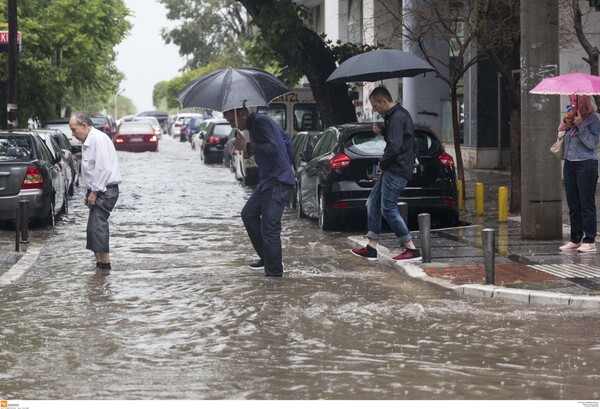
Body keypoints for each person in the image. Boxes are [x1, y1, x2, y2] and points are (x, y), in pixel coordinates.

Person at [351, 86, 422, 262]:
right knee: (372, 202)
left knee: (388, 208)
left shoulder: (397, 117)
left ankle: (411, 249)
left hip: (396, 169)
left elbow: (395, 147)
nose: (375, 109)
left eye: (376, 105)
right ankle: (372, 247)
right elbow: (398, 139)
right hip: (394, 168)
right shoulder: (394, 116)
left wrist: (382, 163)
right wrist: (382, 130)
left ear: (384, 101)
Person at [223, 107, 295, 277]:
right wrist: (249, 150)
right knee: (248, 214)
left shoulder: (260, 122)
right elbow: (285, 140)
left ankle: (274, 275)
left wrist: (248, 146)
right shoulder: (256, 125)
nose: (232, 124)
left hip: (277, 182)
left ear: (241, 114)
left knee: (269, 227)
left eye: (232, 120)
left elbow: (274, 147)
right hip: (268, 181)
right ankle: (268, 258)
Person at [69, 112, 122, 271]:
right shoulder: (88, 140)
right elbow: (90, 170)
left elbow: (103, 168)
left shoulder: (98, 140)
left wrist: (94, 192)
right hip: (98, 190)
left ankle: (105, 267)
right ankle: (99, 266)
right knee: (92, 228)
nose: (72, 134)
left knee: (98, 227)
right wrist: (89, 192)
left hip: (105, 190)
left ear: (84, 126)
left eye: (74, 129)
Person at [558, 94, 600, 253]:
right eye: (571, 100)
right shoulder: (570, 117)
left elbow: (592, 143)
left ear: (585, 101)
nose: (573, 103)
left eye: (576, 100)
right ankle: (575, 238)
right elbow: (566, 144)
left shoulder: (593, 119)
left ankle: (589, 240)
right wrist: (562, 131)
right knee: (573, 204)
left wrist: (580, 125)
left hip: (586, 164)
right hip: (570, 164)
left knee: (586, 203)